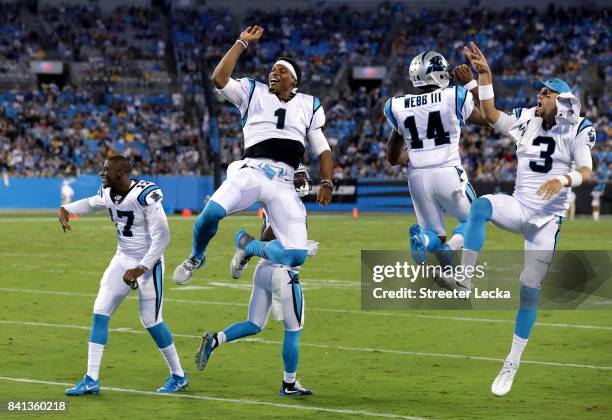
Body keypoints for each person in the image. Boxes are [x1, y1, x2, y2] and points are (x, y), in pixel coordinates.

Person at [459, 42, 594, 396]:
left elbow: (586, 171)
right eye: (541, 91)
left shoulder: (579, 127)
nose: (540, 96)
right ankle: (465, 276)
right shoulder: (527, 118)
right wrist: (483, 77)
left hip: (546, 222)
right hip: (519, 206)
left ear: (563, 101)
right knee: (482, 206)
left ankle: (513, 361)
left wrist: (563, 180)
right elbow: (489, 114)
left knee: (528, 290)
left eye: (547, 93)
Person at [173, 25, 333, 285]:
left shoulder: (308, 104)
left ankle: (249, 245)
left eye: (281, 70)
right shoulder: (252, 91)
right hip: (253, 171)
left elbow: (323, 149)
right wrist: (241, 43)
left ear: (294, 80)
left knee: (296, 256)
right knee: (210, 214)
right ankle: (196, 256)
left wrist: (327, 181)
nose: (273, 73)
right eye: (272, 69)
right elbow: (219, 78)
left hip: (285, 182)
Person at [59, 155, 188, 395]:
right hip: (122, 258)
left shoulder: (144, 195)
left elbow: (163, 237)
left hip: (149, 262)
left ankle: (179, 376)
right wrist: (67, 208)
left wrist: (141, 267)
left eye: (106, 169)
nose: (102, 172)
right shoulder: (108, 191)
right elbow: (91, 203)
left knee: (151, 321)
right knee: (100, 312)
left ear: (121, 173)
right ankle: (91, 378)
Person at [195, 166, 317, 396]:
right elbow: (270, 235)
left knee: (254, 324)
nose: (302, 182)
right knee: (293, 330)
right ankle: (289, 384)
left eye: (303, 177)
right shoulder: (286, 202)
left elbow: (270, 233)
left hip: (264, 270)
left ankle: (215, 340)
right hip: (283, 272)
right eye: (299, 177)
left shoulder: (275, 198)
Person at [384, 52, 487, 266]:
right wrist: (471, 84)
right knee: (474, 219)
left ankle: (422, 240)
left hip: (417, 177)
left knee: (433, 234)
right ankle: (449, 249)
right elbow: (488, 116)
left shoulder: (397, 105)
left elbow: (392, 158)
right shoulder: (455, 95)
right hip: (447, 171)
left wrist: (416, 154)